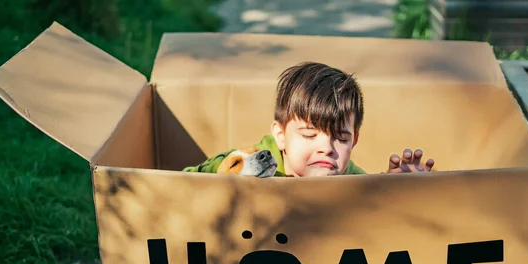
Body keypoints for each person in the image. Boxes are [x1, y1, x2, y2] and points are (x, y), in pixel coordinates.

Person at [182, 61, 435, 177]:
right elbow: (184, 182)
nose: (326, 148)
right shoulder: (251, 161)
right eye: (309, 135)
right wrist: (226, 178)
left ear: (354, 141)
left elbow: (373, 213)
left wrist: (393, 188)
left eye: (341, 138)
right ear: (280, 136)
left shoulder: (349, 178)